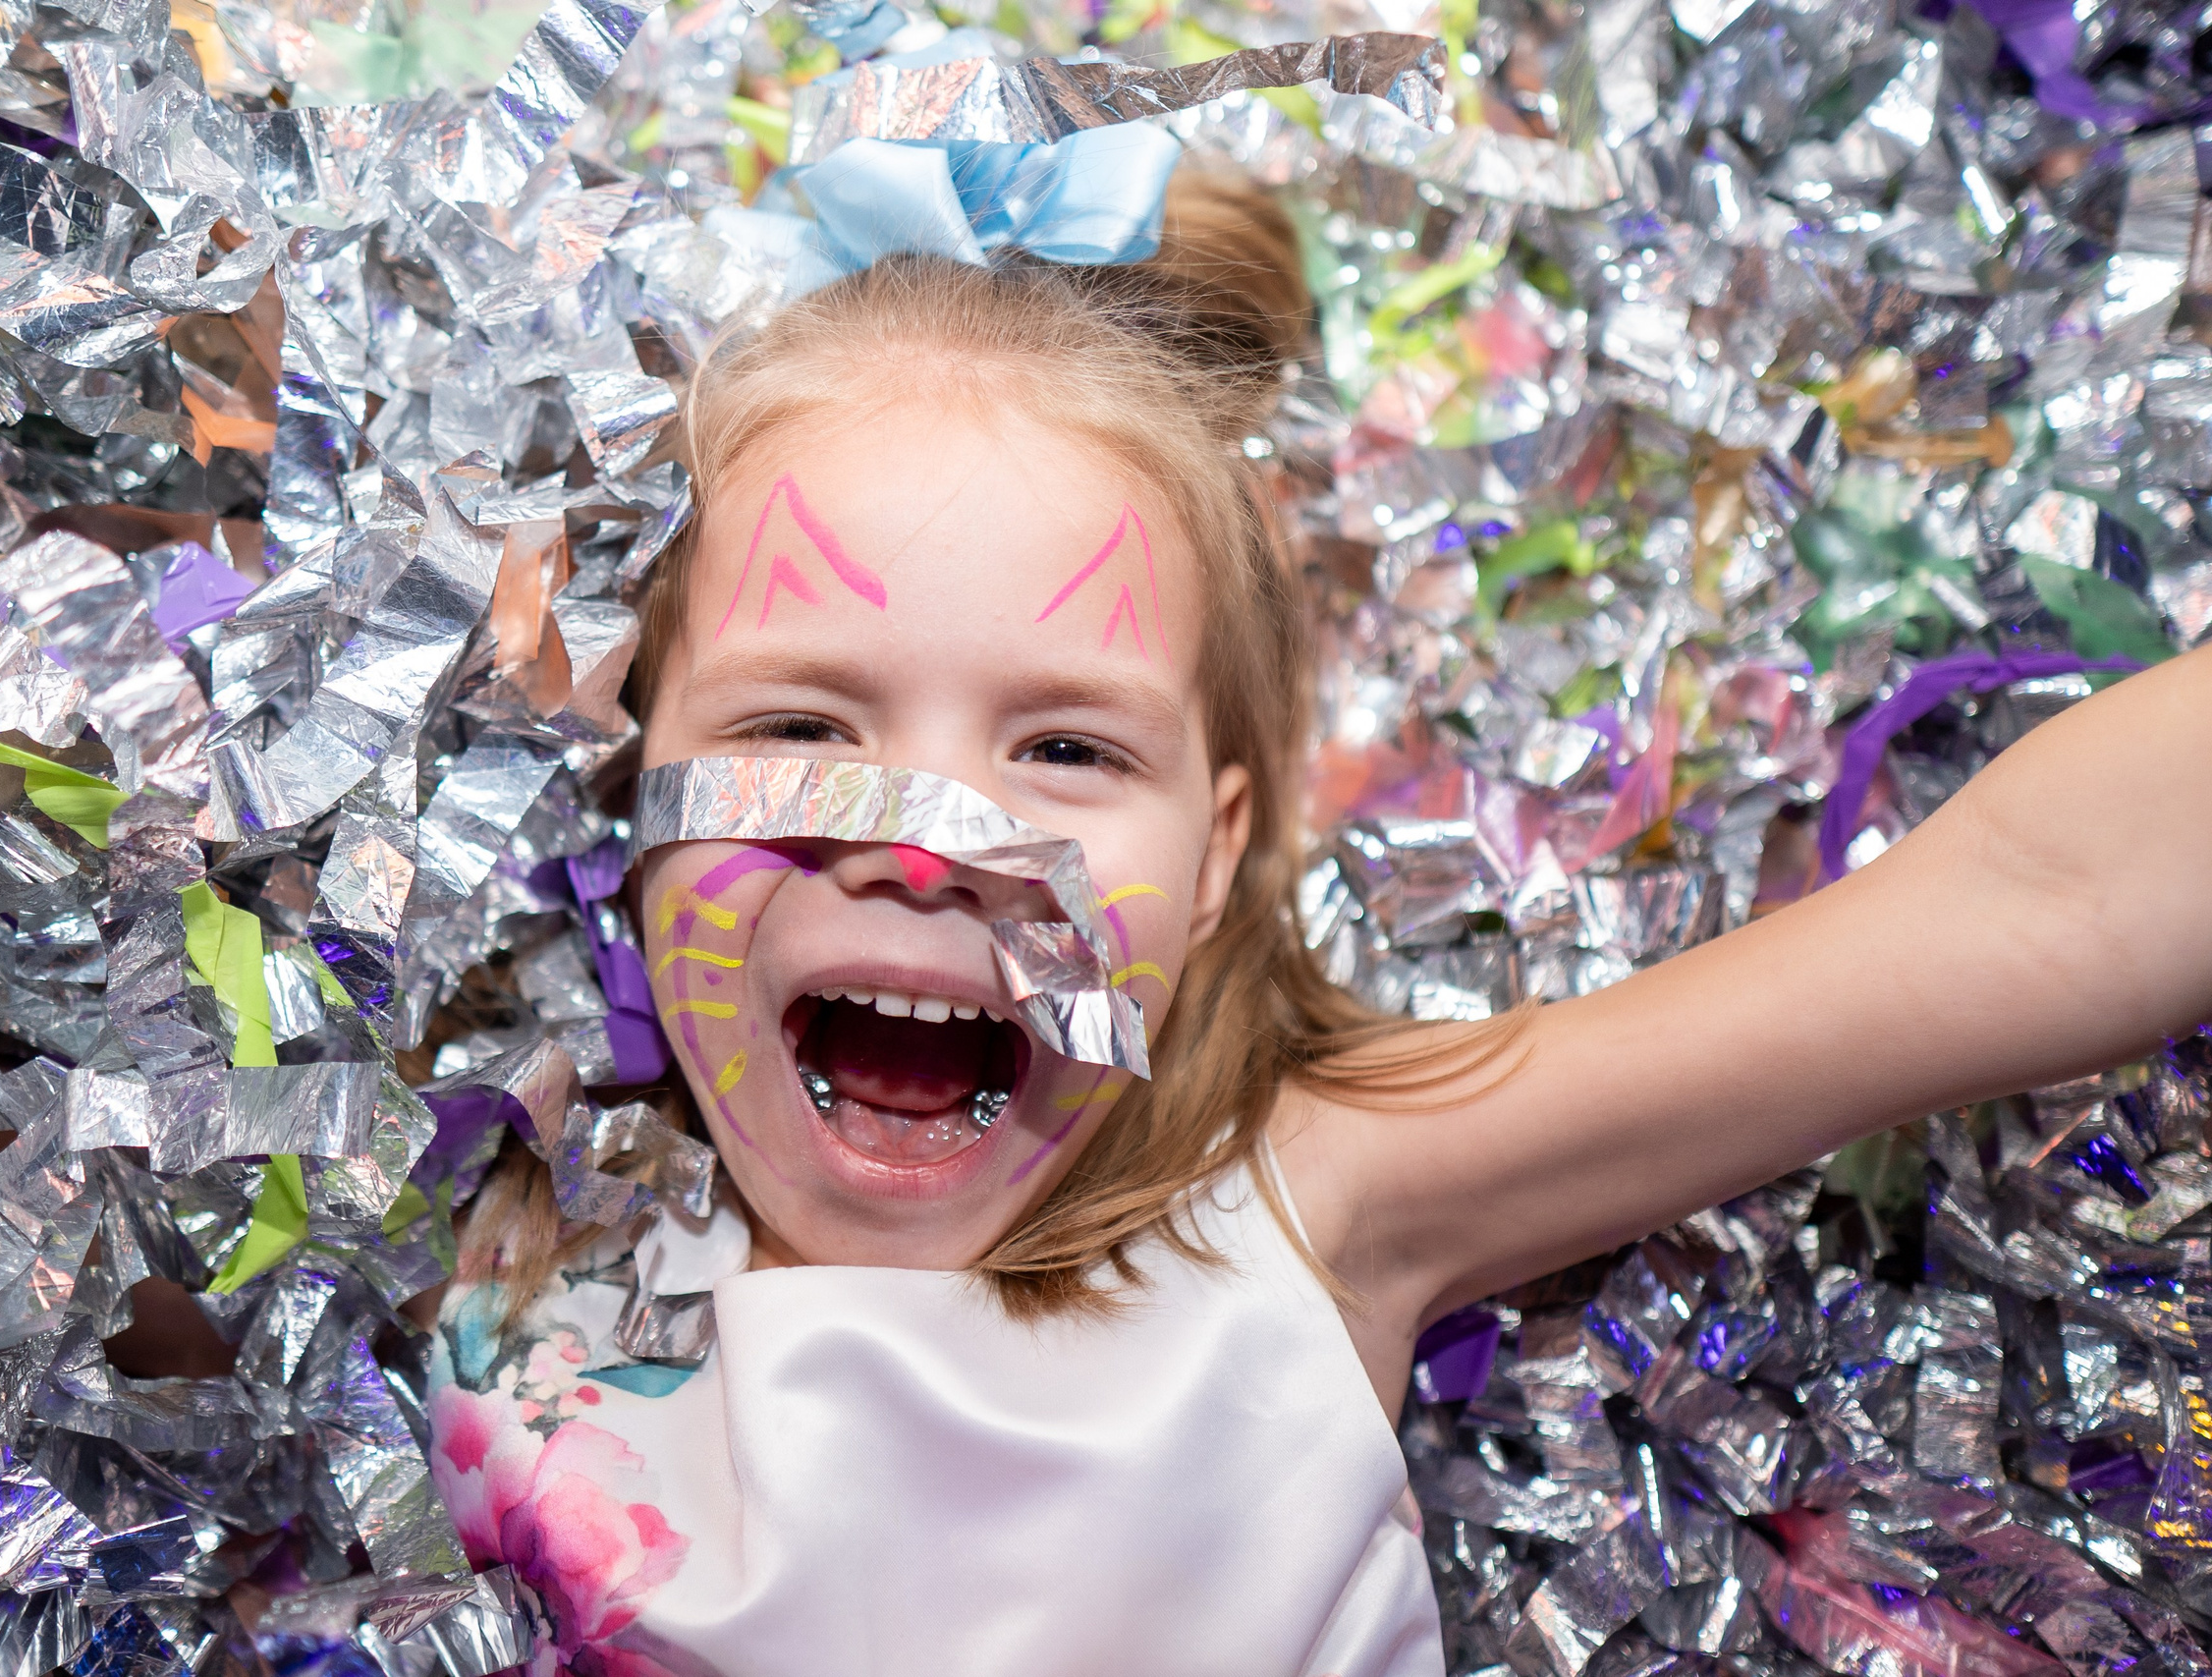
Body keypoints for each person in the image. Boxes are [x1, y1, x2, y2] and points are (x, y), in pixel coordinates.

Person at [419, 166, 2212, 1677]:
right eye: (799, 727)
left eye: (1061, 744)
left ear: (1211, 862)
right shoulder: (483, 1254)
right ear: (635, 786)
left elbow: (2033, 903)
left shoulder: (1299, 1207)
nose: (927, 843)